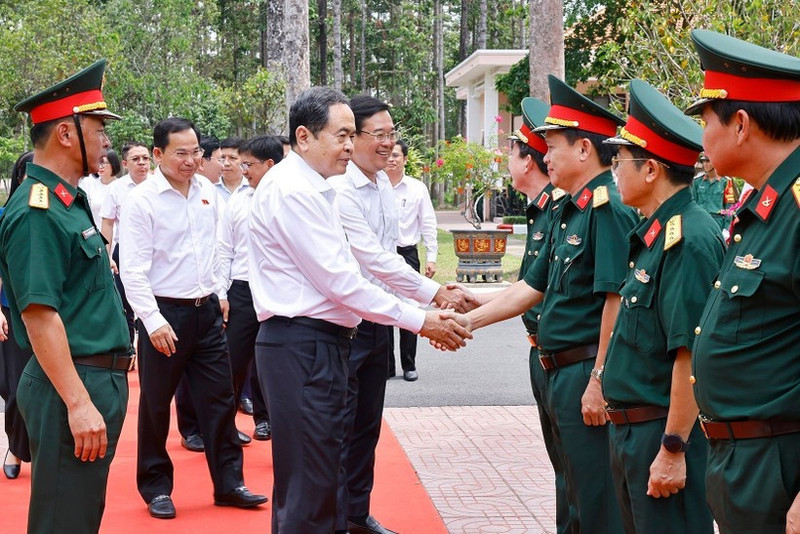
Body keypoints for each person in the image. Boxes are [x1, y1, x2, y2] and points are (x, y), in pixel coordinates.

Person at [247, 86, 472, 534]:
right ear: (304, 137)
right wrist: (421, 320)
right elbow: (342, 281)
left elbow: (365, 263)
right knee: (310, 488)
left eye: (353, 135)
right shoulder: (295, 192)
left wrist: (428, 300)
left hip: (317, 343)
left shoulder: (317, 187)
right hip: (303, 344)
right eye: (342, 135)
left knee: (322, 476)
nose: (350, 146)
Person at [450, 75, 636, 533]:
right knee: (571, 491)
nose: (544, 157)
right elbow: (531, 288)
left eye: (552, 147)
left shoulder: (607, 209)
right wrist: (465, 321)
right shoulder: (568, 209)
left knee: (597, 501)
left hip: (584, 370)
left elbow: (615, 301)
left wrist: (599, 380)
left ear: (584, 149)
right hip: (557, 369)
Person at [329, 95, 476, 534]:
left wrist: (425, 300)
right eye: (379, 135)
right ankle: (333, 519)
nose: (389, 144)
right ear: (352, 137)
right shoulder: (340, 190)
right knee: (339, 427)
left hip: (379, 321)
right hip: (346, 324)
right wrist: (433, 298)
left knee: (367, 426)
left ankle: (356, 512)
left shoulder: (383, 187)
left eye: (392, 135)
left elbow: (392, 259)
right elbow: (372, 258)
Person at [0, 59, 133, 534]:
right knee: (63, 521)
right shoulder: (37, 210)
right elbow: (39, 316)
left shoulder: (68, 201)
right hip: (71, 384)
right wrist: (77, 403)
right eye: (98, 129)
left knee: (78, 514)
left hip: (91, 378)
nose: (106, 141)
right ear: (65, 133)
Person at [119, 117, 267, 519]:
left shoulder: (206, 191)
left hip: (207, 313)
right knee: (156, 405)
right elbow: (132, 269)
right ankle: (156, 487)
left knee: (220, 400)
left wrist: (220, 292)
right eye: (180, 153)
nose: (190, 160)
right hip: (165, 315)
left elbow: (214, 248)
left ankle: (230, 483)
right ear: (158, 154)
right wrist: (152, 321)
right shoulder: (142, 201)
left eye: (196, 152)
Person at [684, 29, 800, 534]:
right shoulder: (763, 206)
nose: (702, 138)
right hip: (743, 459)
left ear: (741, 125)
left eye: (707, 121)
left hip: (777, 464)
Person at [601, 79, 723, 534]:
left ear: (651, 170)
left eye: (619, 161)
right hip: (634, 433)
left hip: (662, 435)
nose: (614, 172)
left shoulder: (688, 238)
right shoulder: (656, 233)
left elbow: (688, 355)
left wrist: (673, 448)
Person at [506, 96, 572, 533]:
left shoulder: (561, 210)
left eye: (512, 153)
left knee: (578, 476)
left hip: (569, 361)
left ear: (527, 161)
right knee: (564, 470)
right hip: (544, 353)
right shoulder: (542, 211)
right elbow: (530, 286)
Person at [218, 134, 283, 441]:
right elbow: (224, 249)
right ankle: (224, 426)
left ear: (269, 164)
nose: (243, 171)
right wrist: (221, 293)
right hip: (242, 290)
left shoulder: (289, 198)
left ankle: (267, 419)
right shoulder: (238, 201)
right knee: (232, 360)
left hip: (279, 289)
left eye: (248, 164)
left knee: (272, 362)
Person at [385, 139, 438, 382]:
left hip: (407, 254)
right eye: (388, 154)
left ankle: (409, 364)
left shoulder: (417, 188)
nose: (391, 159)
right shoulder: (375, 186)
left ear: (405, 159)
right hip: (381, 255)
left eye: (396, 155)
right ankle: (386, 365)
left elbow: (428, 223)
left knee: (409, 308)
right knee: (381, 308)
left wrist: (431, 257)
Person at [1, 150, 35, 481]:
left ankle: (36, 448)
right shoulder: (5, 215)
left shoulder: (58, 213)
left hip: (52, 314)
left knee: (41, 385)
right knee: (16, 385)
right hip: (12, 311)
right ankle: (16, 445)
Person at [100, 141, 151, 346]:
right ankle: (128, 349)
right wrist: (107, 256)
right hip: (125, 253)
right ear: (124, 163)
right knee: (125, 304)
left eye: (145, 158)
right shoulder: (116, 188)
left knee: (155, 302)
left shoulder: (159, 186)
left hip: (156, 253)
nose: (142, 163)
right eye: (136, 159)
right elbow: (107, 223)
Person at [691, 153, 738, 234]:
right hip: (700, 220)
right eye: (703, 161)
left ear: (715, 162)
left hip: (717, 222)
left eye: (708, 161)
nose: (705, 164)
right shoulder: (697, 181)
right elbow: (693, 203)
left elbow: (730, 207)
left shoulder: (725, 182)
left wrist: (726, 227)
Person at [81, 149, 119, 227]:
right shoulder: (90, 184)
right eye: (98, 163)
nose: (100, 167)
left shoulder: (121, 186)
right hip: (96, 230)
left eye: (104, 163)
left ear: (113, 164)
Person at [215, 136, 248, 202]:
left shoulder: (253, 187)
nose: (226, 163)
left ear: (244, 160)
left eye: (232, 158)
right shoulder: (211, 186)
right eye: (223, 158)